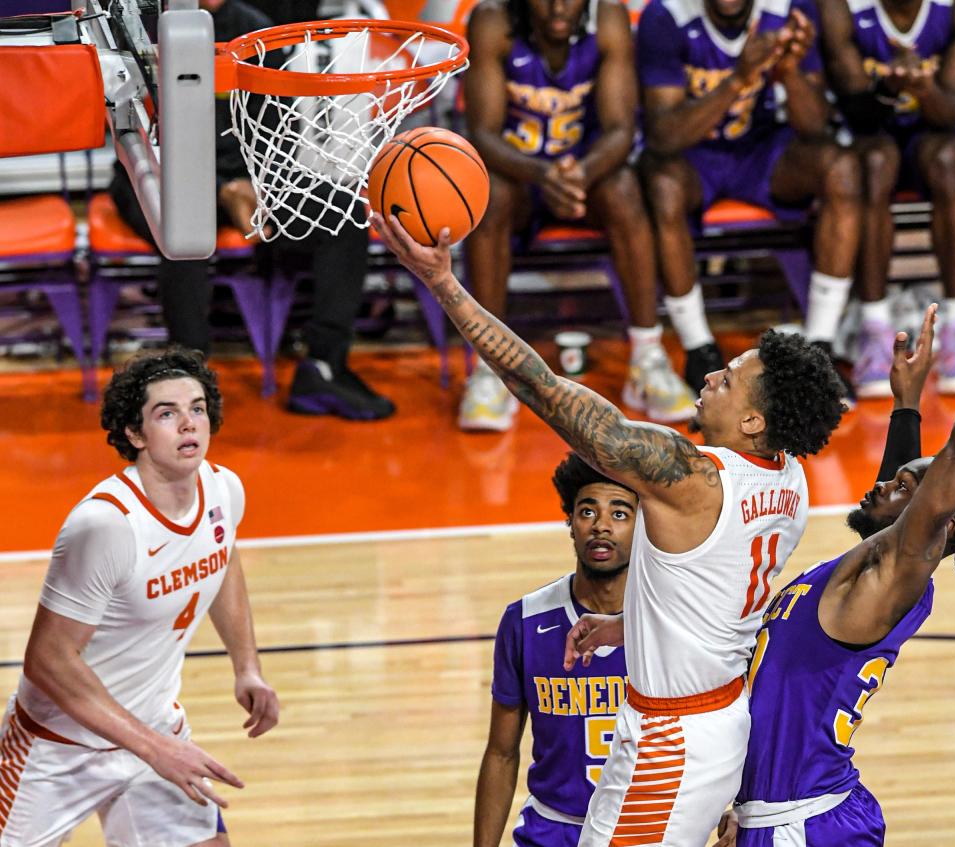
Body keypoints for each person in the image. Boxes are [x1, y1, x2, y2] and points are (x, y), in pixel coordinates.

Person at [370, 209, 846, 846]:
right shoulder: (790, 478)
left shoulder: (692, 478)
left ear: (756, 421)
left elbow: (537, 385)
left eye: (728, 379)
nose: (709, 375)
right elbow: (718, 591)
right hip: (717, 716)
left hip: (671, 739)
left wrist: (444, 285)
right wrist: (632, 625)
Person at [0, 348, 279, 846]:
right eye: (166, 414)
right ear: (135, 434)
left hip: (154, 729)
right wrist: (154, 749)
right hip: (57, 747)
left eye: (196, 408)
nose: (188, 424)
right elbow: (47, 660)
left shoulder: (223, 490)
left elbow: (221, 559)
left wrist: (247, 666)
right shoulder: (105, 525)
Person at [712, 308, 955, 846]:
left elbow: (931, 498)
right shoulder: (866, 575)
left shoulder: (898, 574)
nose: (882, 485)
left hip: (806, 825)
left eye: (902, 489)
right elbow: (902, 503)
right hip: (779, 811)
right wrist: (907, 405)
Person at [109, 0, 394, 421]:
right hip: (154, 173)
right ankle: (188, 380)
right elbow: (135, 132)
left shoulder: (255, 30)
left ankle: (324, 366)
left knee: (343, 211)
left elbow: (278, 134)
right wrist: (221, 190)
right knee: (185, 224)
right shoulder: (137, 30)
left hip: (249, 181)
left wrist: (254, 187)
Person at [460, 0, 696, 432]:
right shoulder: (492, 20)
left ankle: (647, 359)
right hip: (520, 174)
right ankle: (487, 369)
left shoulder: (609, 18)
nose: (557, 7)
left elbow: (621, 129)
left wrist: (577, 176)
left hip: (585, 173)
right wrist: (542, 175)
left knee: (625, 189)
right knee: (487, 195)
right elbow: (483, 133)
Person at [638, 0, 863, 394]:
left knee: (841, 169)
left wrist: (789, 73)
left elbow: (815, 127)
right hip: (694, 156)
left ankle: (821, 344)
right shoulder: (666, 15)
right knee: (662, 186)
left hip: (761, 150)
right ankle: (698, 347)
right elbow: (664, 137)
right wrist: (739, 79)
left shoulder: (790, 10)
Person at [475, 453, 636, 847]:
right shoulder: (525, 620)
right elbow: (501, 753)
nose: (601, 526)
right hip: (552, 829)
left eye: (619, 514)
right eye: (587, 511)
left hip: (644, 831)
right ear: (570, 523)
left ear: (645, 527)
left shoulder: (673, 623)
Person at [818, 0, 955, 398]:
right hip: (868, 134)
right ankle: (874, 327)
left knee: (952, 161)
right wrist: (889, 86)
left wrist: (923, 87)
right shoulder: (842, 8)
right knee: (876, 162)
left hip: (933, 134)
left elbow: (950, 111)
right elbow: (858, 112)